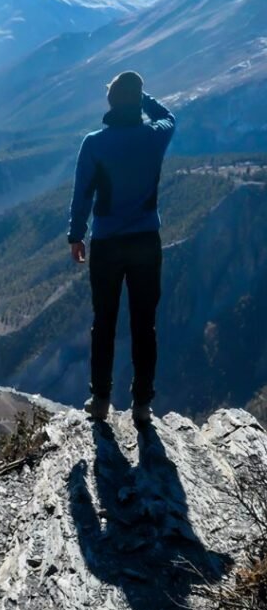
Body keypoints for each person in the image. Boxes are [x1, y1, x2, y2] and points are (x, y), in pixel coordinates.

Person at [67, 71, 175, 425]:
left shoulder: (94, 143)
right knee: (145, 324)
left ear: (110, 103)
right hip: (146, 241)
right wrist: (144, 98)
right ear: (136, 102)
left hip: (107, 244)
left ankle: (100, 401)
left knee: (105, 323)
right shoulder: (153, 137)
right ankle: (142, 405)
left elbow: (82, 193)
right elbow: (169, 117)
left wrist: (76, 235)